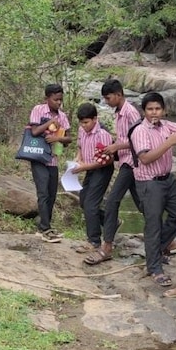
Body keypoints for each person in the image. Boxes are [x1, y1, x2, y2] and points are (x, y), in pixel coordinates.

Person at [129, 92, 176, 287]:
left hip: (168, 180)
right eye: (150, 109)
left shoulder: (166, 125)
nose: (154, 112)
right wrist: (169, 143)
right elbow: (145, 158)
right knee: (153, 224)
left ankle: (155, 250)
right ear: (144, 111)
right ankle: (155, 268)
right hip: (150, 182)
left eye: (157, 108)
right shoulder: (140, 131)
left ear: (164, 110)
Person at [97, 79, 143, 260]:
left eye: (108, 98)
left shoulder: (131, 113)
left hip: (132, 163)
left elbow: (139, 139)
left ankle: (107, 245)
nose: (107, 102)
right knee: (142, 204)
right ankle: (168, 241)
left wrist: (117, 147)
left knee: (112, 201)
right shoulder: (119, 113)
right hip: (126, 161)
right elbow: (125, 138)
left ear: (119, 94)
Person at [27, 83, 73, 242]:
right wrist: (49, 123)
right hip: (38, 157)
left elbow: (69, 139)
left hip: (53, 159)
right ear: (47, 98)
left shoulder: (63, 116)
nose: (58, 103)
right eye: (55, 100)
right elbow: (34, 132)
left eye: (60, 100)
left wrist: (58, 138)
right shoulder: (38, 110)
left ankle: (45, 226)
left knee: (52, 193)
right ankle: (45, 229)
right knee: (43, 192)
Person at [72, 102, 114, 264]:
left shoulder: (102, 134)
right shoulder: (82, 130)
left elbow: (105, 160)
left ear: (95, 119)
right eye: (81, 123)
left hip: (102, 169)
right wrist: (79, 159)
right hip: (89, 168)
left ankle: (94, 241)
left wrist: (84, 167)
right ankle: (111, 221)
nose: (84, 126)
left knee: (91, 203)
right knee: (83, 200)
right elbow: (80, 146)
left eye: (87, 122)